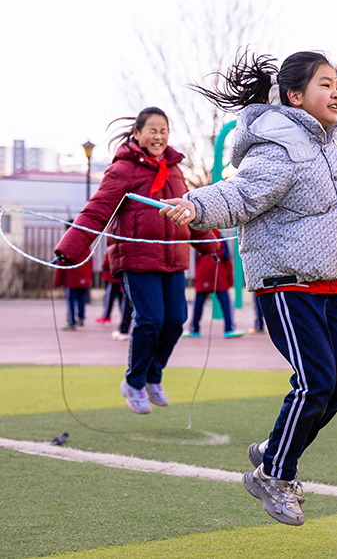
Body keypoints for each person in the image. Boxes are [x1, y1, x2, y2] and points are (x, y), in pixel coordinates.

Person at [160, 50, 337, 527]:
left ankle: (275, 447)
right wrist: (196, 205)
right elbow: (243, 192)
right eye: (324, 84)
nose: (336, 92)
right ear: (295, 96)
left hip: (328, 284)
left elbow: (310, 198)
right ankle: (275, 473)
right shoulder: (279, 144)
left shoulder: (331, 147)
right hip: (288, 284)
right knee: (316, 382)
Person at [54, 107, 219, 415]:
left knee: (175, 320)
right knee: (151, 319)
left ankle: (152, 377)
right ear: (138, 134)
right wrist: (70, 250)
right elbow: (97, 210)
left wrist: (210, 244)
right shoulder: (123, 170)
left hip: (173, 258)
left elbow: (187, 211)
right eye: (152, 130)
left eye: (163, 130)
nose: (158, 136)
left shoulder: (176, 170)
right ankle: (133, 382)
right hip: (136, 259)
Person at [184, 230, 245, 338]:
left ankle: (194, 329)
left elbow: (196, 260)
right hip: (219, 276)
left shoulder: (200, 238)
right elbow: (227, 258)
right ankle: (229, 329)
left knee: (198, 303)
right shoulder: (221, 239)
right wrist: (229, 279)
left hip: (203, 276)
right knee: (226, 303)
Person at [54, 253, 93, 331]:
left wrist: (58, 281)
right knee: (82, 298)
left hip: (71, 279)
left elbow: (61, 266)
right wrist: (89, 278)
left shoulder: (67, 250)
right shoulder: (86, 249)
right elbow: (90, 265)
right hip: (84, 279)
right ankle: (81, 317)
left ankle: (71, 321)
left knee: (71, 301)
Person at [95, 251, 122, 325]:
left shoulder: (112, 250)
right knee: (122, 299)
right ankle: (123, 317)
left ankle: (106, 317)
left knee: (109, 299)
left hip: (112, 278)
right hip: (121, 279)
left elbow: (106, 264)